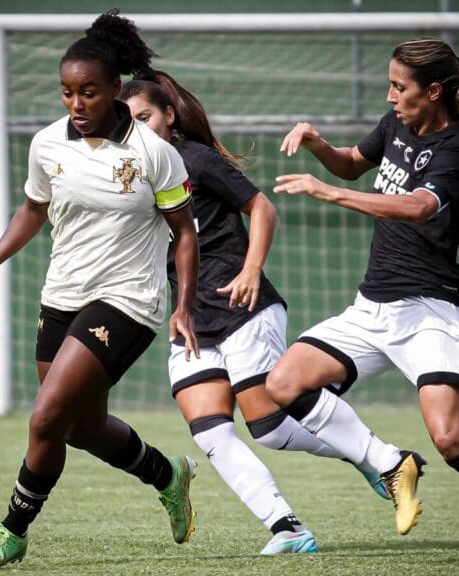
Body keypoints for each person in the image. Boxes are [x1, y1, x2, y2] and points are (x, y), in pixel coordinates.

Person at [268, 38, 459, 566]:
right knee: (283, 384)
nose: (391, 95)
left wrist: (326, 192)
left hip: (430, 311)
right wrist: (316, 144)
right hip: (372, 308)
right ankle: (389, 462)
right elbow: (354, 164)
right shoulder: (395, 123)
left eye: (400, 87)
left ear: (435, 91)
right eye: (390, 84)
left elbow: (418, 207)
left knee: (450, 438)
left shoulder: (457, 148)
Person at [0, 11, 201, 567]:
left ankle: (14, 529)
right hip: (63, 293)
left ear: (113, 91)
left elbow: (184, 233)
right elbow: (35, 209)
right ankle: (166, 473)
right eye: (67, 93)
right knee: (78, 428)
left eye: (89, 93)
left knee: (45, 417)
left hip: (128, 299)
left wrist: (184, 308)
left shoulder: (154, 153)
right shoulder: (47, 145)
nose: (77, 105)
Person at [121, 71, 424, 555]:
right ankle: (288, 529)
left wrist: (252, 270)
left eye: (146, 117)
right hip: (191, 319)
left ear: (169, 116)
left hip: (245, 307)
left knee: (268, 427)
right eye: (129, 122)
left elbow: (261, 207)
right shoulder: (128, 177)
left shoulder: (193, 159)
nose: (138, 129)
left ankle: (378, 459)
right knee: (216, 434)